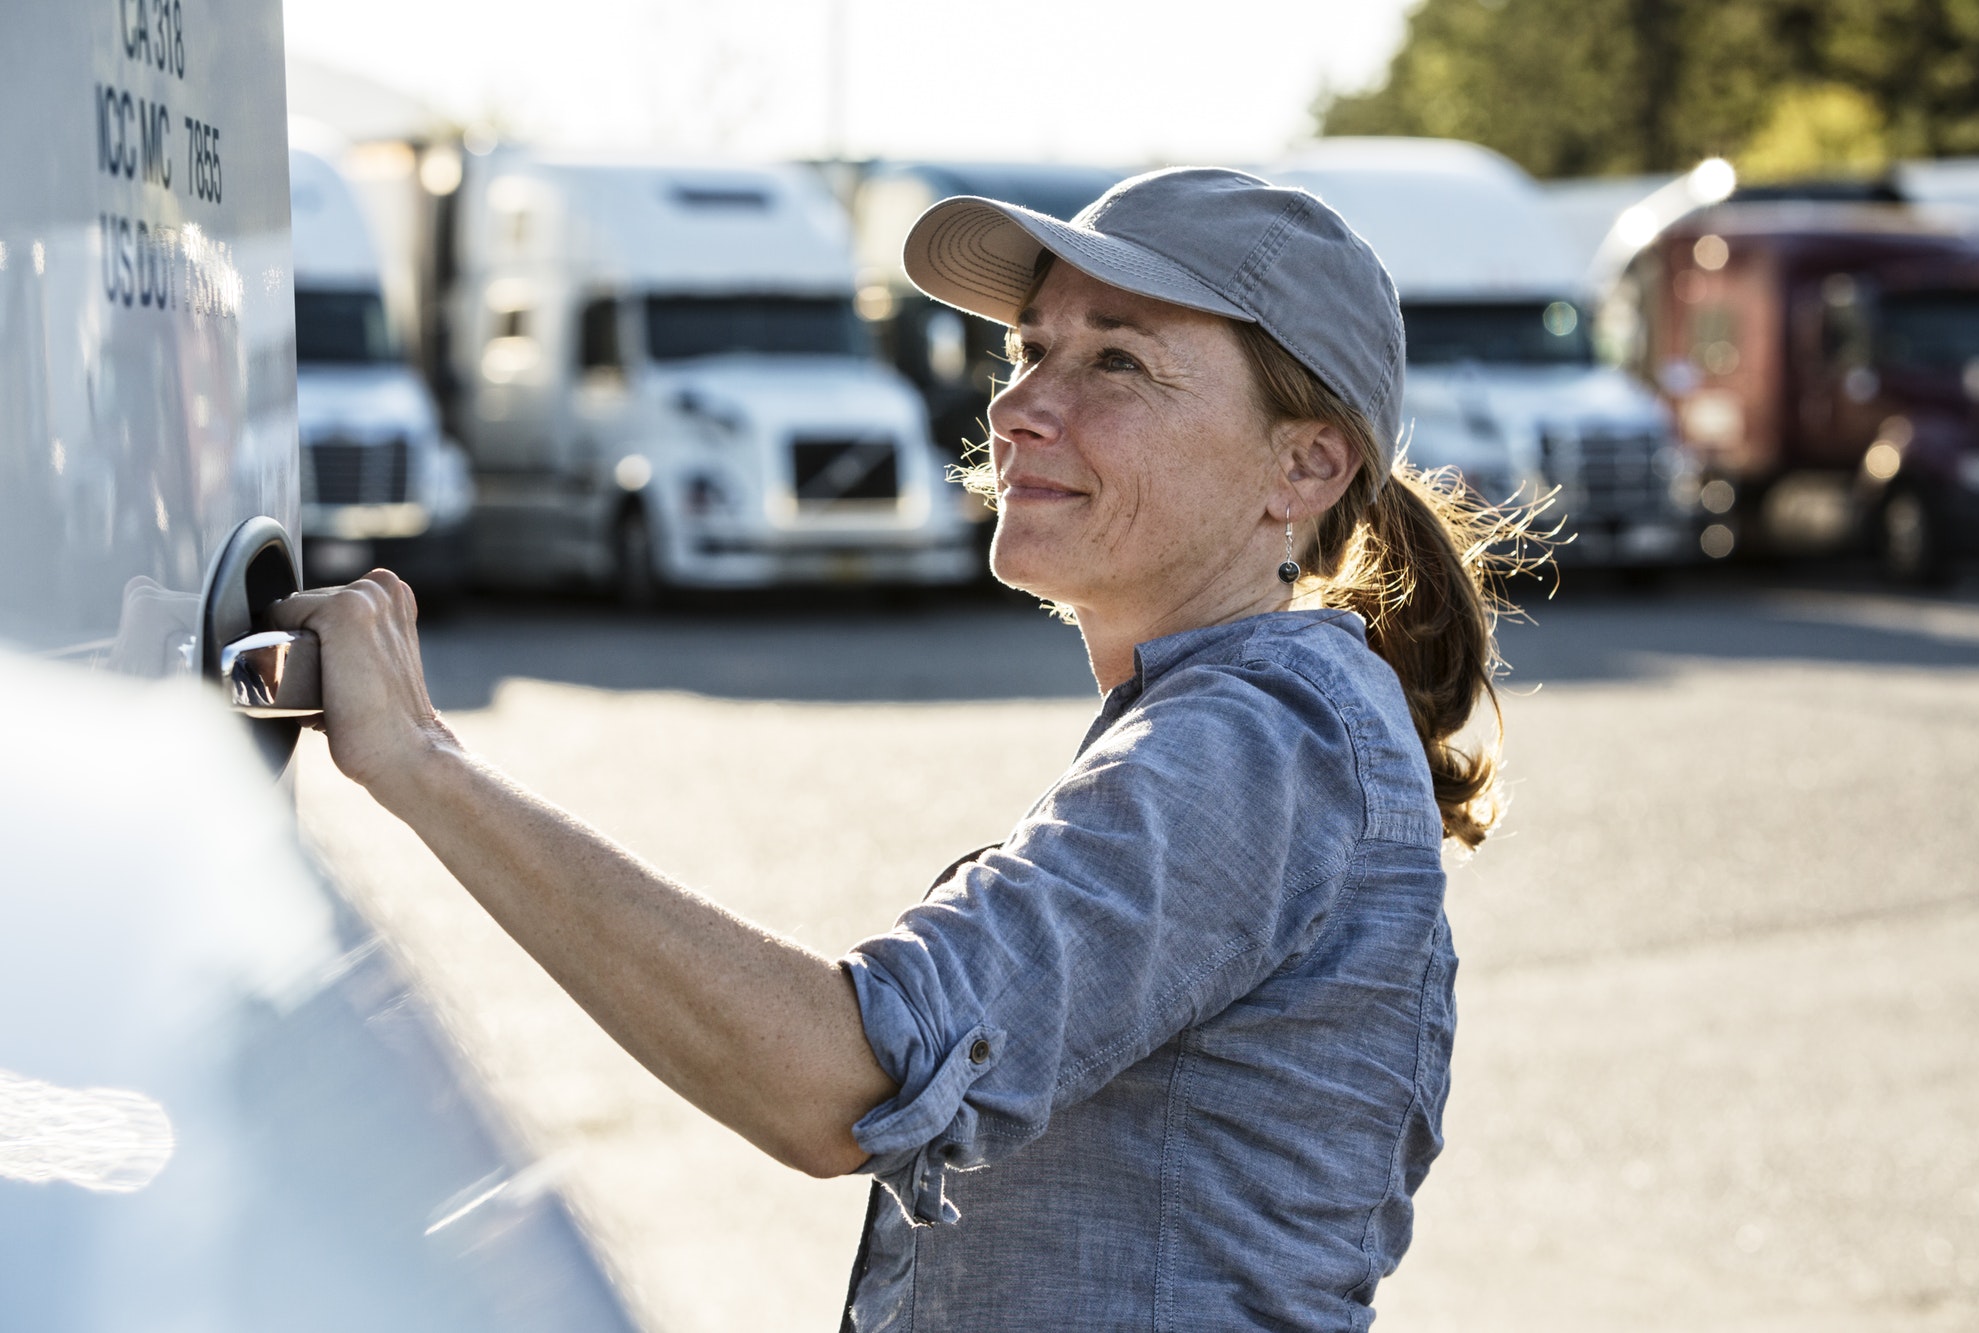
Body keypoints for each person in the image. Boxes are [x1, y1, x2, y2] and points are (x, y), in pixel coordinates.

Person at [276, 166, 1528, 1331]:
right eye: (1032, 349)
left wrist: (425, 763)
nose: (1021, 405)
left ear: (1303, 466)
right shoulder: (1247, 711)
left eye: (1117, 363)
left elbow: (842, 1078)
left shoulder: (1264, 737)